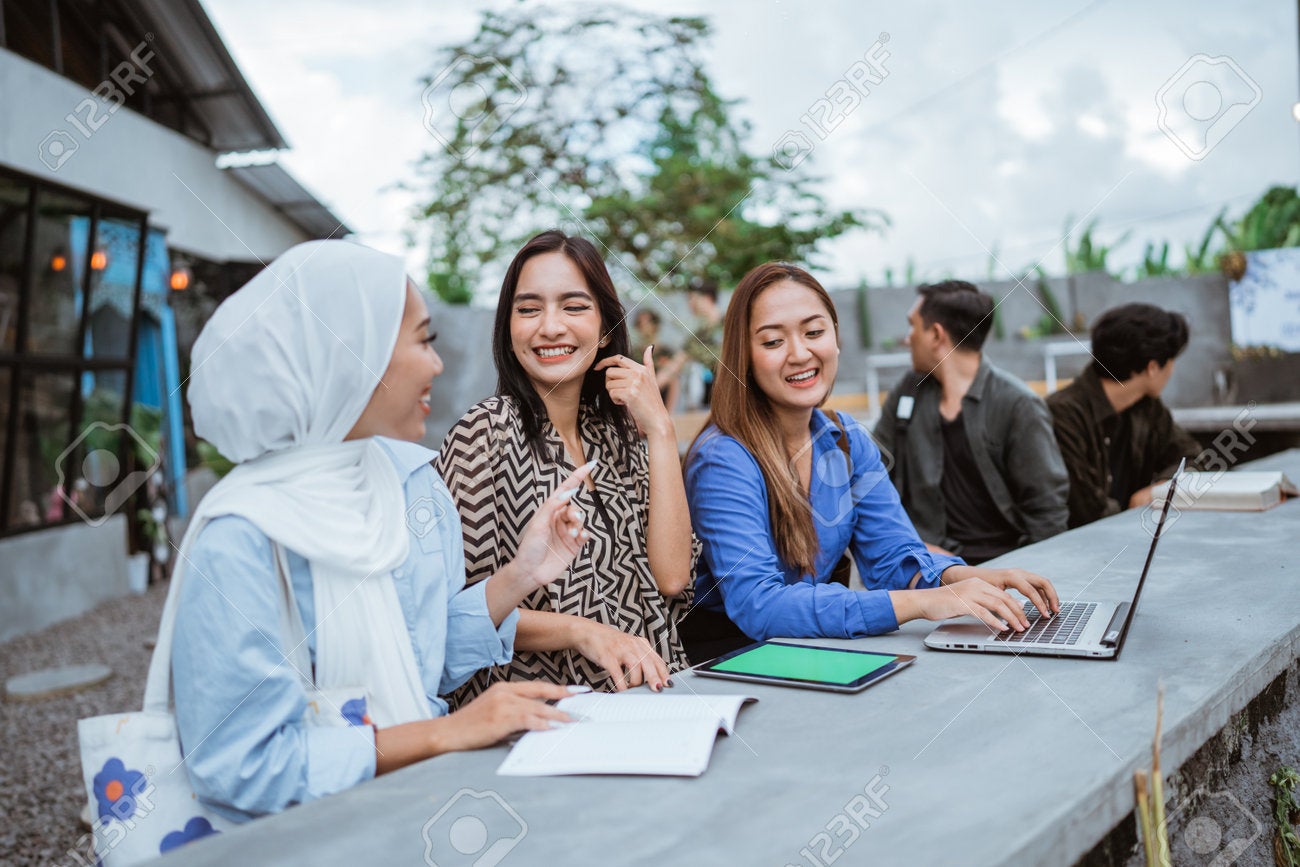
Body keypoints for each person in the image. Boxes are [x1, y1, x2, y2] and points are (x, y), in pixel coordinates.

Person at [172, 241, 592, 822]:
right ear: (349, 354)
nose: (437, 365)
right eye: (423, 340)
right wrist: (445, 733)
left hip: (424, 811)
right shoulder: (244, 535)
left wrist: (524, 572)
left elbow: (430, 654)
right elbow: (241, 765)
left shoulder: (414, 485)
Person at [682, 262, 1059, 662]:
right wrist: (921, 603)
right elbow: (760, 606)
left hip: (811, 648)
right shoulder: (723, 459)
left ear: (835, 339)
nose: (800, 353)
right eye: (773, 341)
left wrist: (969, 577)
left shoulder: (845, 437)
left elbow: (893, 556)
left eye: (814, 332)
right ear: (744, 357)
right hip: (733, 660)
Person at [436, 230, 696, 701]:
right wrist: (584, 631)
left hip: (656, 697)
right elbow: (456, 612)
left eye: (574, 307)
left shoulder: (616, 436)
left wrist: (660, 430)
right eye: (529, 309)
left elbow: (673, 577)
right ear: (508, 327)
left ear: (604, 329)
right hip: (546, 713)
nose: (550, 327)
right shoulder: (486, 430)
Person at [874, 280, 1068, 564]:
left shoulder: (1017, 405)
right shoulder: (909, 390)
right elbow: (872, 470)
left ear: (936, 335)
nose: (908, 338)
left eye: (913, 326)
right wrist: (906, 542)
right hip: (925, 565)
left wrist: (1031, 577)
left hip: (1001, 570)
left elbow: (1047, 514)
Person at [1048, 302, 1203, 528]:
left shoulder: (1146, 407)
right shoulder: (1063, 414)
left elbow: (1195, 458)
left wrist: (1159, 488)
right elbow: (1087, 511)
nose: (1172, 369)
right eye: (1171, 361)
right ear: (1152, 367)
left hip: (1132, 538)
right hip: (1083, 548)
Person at [677, 278, 724, 407]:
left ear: (707, 298)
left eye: (691, 298)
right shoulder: (697, 335)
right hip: (715, 400)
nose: (689, 304)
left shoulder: (732, 323)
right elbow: (675, 365)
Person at [630, 307, 684, 411]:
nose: (644, 326)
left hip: (663, 400)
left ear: (656, 325)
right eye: (640, 323)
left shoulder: (667, 351)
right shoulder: (633, 354)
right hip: (640, 400)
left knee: (672, 376)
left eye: (648, 322)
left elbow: (674, 381)